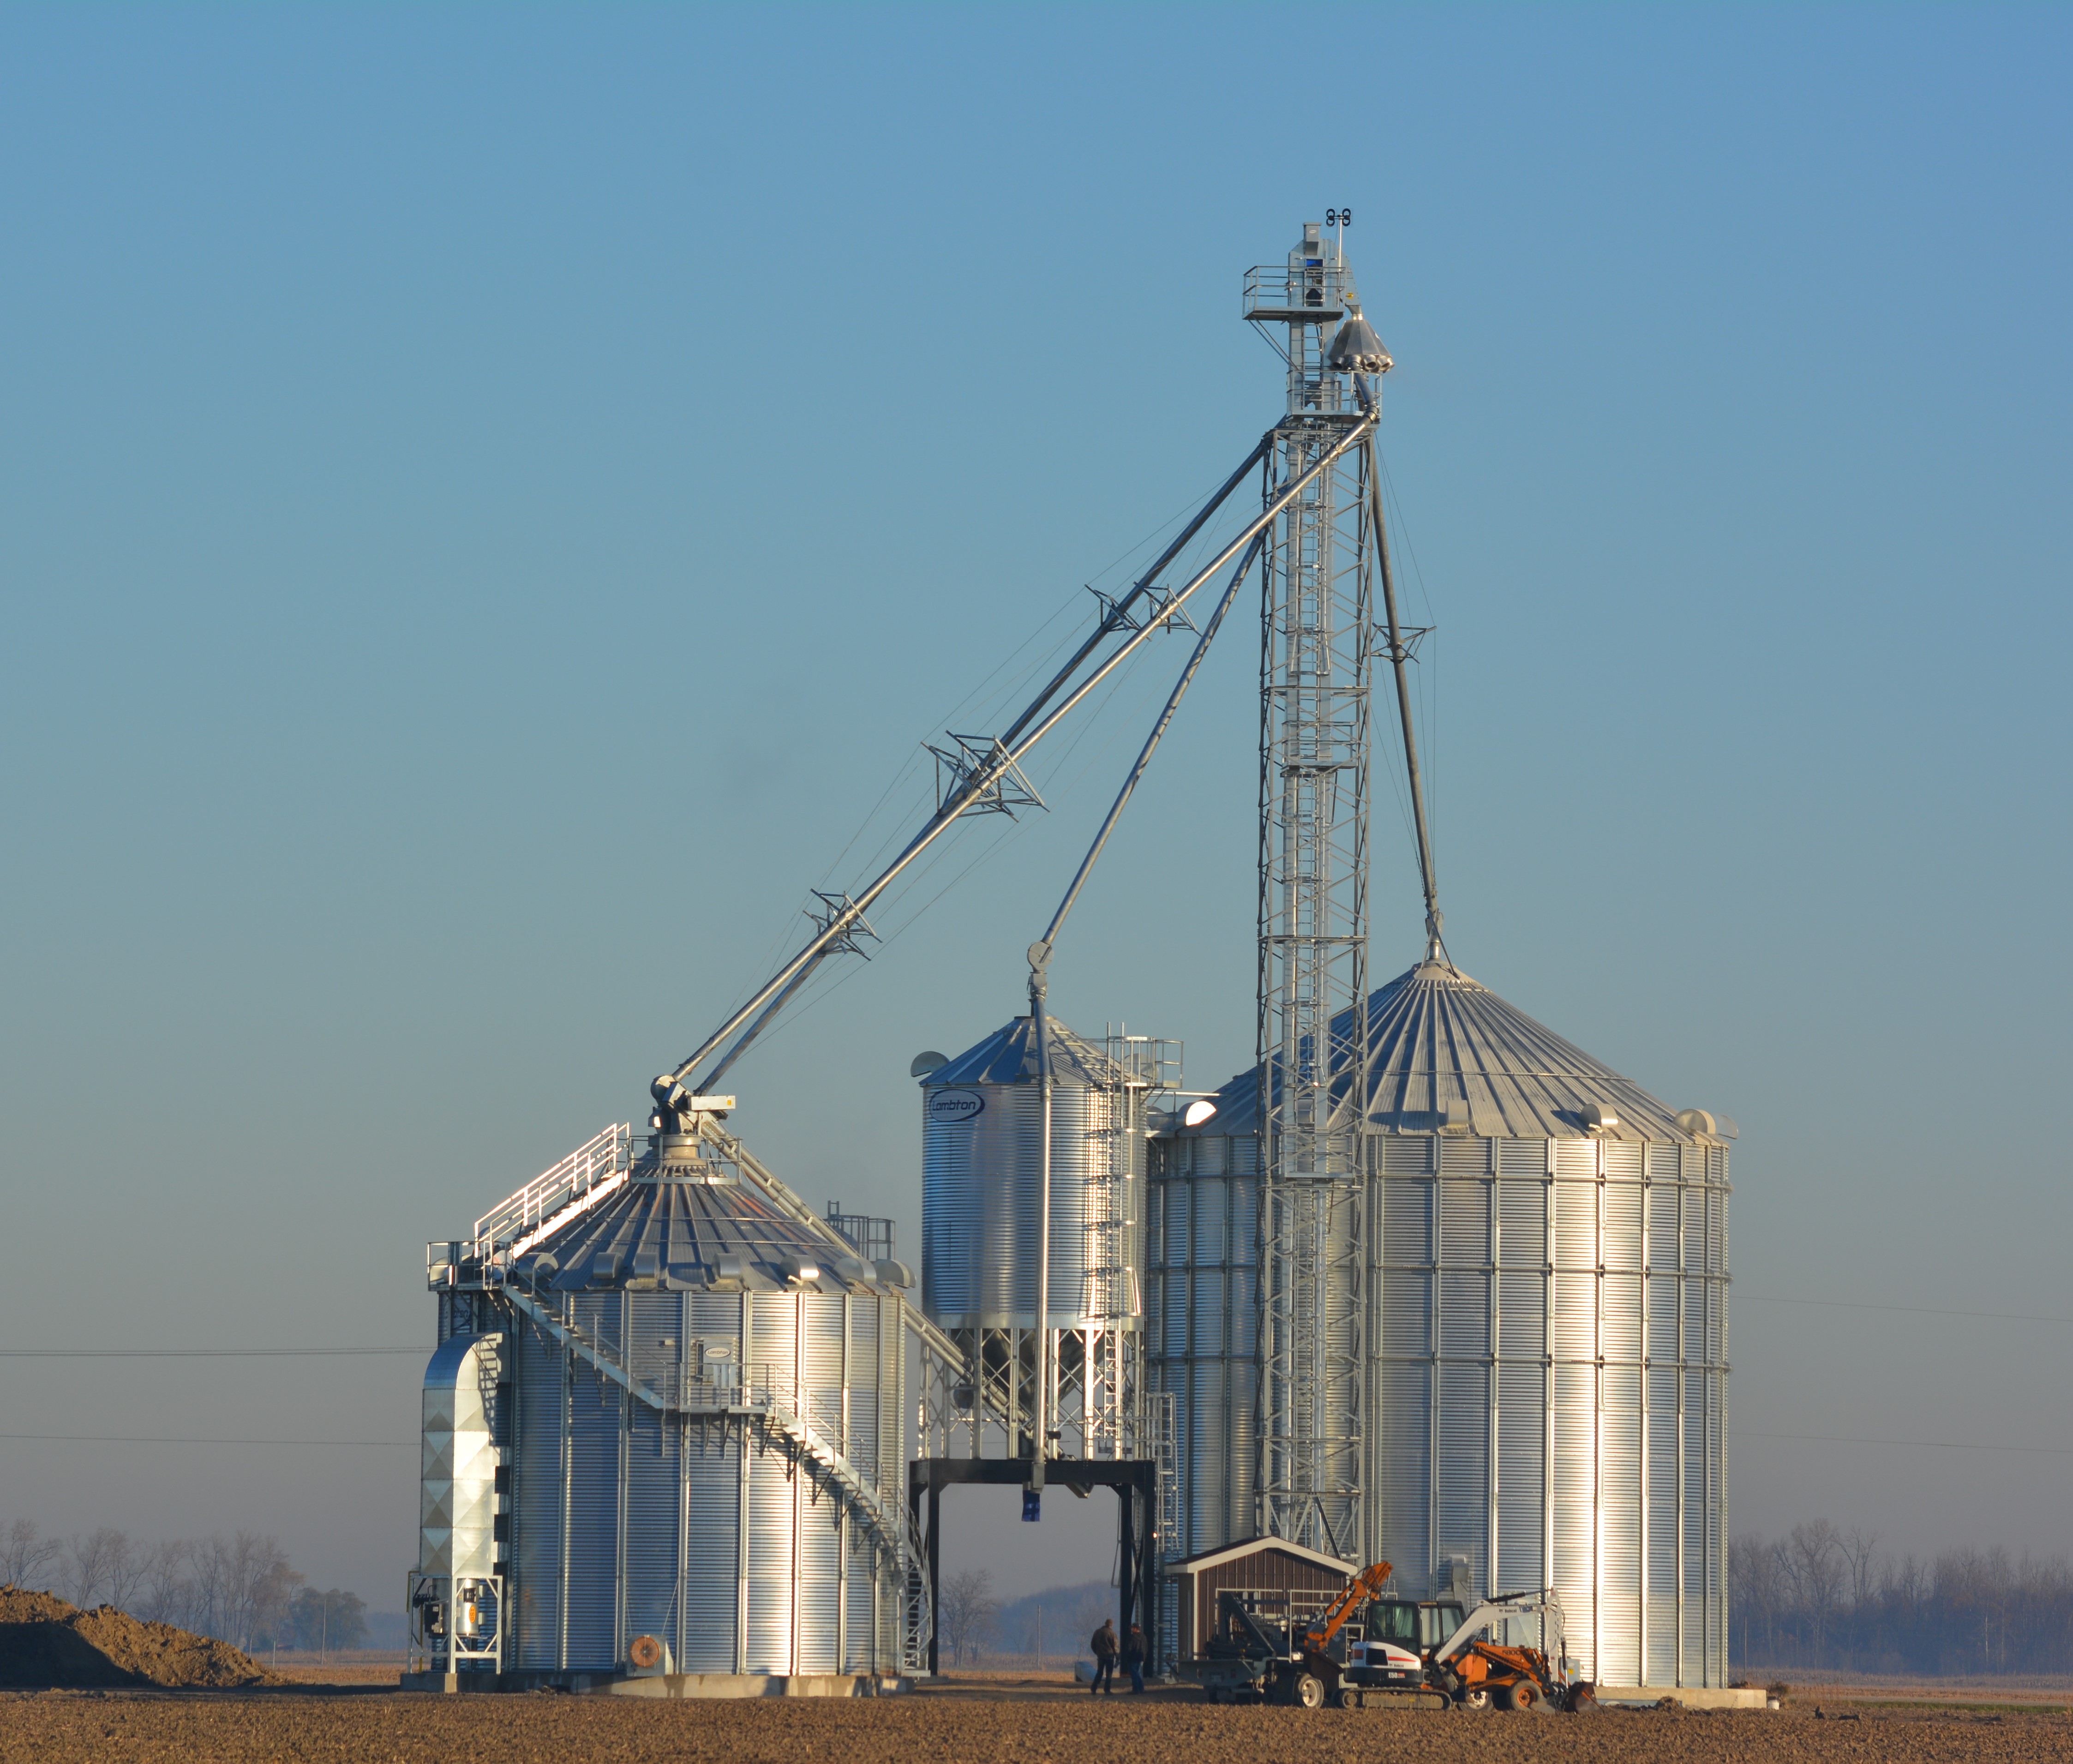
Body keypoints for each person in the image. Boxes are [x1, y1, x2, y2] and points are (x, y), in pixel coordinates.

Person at [1089, 1618, 1118, 1694]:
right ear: (1111, 1625)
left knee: (1100, 1672)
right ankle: (1107, 1690)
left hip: (1101, 1656)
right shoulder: (1112, 1633)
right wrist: (1117, 1656)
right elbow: (1116, 1646)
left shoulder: (1097, 1632)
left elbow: (1093, 1645)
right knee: (1109, 1673)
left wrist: (1097, 1653)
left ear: (1105, 1624)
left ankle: (1094, 1687)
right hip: (1110, 1656)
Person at [1122, 1622, 1146, 1693]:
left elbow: (1129, 1649)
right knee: (1138, 1673)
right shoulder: (1144, 1637)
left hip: (1133, 1659)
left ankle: (1136, 1689)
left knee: (1134, 1674)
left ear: (1136, 1629)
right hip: (1141, 1658)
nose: (1132, 1629)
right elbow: (1146, 1648)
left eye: (1132, 1628)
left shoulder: (1132, 1637)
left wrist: (1126, 1657)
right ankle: (1141, 1688)